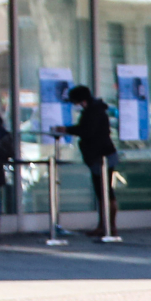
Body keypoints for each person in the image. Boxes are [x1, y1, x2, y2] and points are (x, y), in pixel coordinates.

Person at [58, 84, 117, 240]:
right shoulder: (96, 110)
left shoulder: (93, 112)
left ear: (81, 100)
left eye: (75, 102)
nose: (76, 105)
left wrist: (67, 130)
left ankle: (108, 226)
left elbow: (87, 131)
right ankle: (105, 226)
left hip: (100, 156)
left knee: (104, 192)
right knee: (104, 192)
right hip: (103, 154)